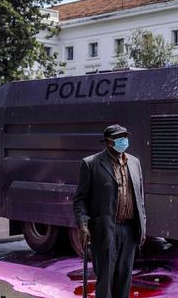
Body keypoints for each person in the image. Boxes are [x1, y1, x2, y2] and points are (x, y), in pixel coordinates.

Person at [73, 124, 146, 298]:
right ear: (108, 142)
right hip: (105, 231)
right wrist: (82, 225)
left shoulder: (135, 163)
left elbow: (140, 198)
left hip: (129, 230)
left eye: (125, 137)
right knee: (105, 282)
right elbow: (80, 199)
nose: (124, 141)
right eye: (119, 138)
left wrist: (143, 225)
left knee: (124, 279)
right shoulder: (91, 164)